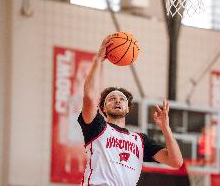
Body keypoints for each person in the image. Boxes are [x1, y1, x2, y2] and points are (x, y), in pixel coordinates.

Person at [77, 36, 183, 186]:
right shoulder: (98, 127)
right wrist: (97, 60)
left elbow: (176, 161)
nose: (117, 100)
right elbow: (89, 97)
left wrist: (166, 128)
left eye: (121, 99)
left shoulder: (141, 140)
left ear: (127, 109)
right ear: (103, 108)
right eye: (111, 98)